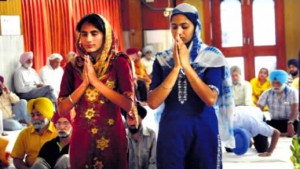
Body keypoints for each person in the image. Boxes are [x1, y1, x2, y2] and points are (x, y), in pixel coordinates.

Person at [147, 3, 235, 169]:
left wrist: (187, 67)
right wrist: (176, 68)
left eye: (185, 26)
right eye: (174, 27)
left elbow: (210, 98)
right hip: (171, 130)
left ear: (196, 27)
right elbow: (153, 102)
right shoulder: (162, 59)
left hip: (203, 128)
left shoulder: (211, 57)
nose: (178, 32)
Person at [58, 13, 135, 169]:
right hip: (82, 138)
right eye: (84, 34)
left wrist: (96, 82)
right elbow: (62, 109)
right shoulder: (73, 66)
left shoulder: (119, 62)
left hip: (112, 136)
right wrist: (85, 83)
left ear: (105, 34)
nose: (88, 39)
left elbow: (128, 105)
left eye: (94, 33)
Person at [11, 97, 57, 168]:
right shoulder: (25, 133)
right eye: (32, 115)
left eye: (39, 114)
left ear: (48, 115)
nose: (35, 118)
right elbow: (17, 158)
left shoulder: (58, 132)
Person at [257, 70, 299, 137]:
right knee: (262, 125)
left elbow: (295, 110)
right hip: (274, 122)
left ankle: (276, 134)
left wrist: (290, 122)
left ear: (284, 82)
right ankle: (283, 134)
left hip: (290, 121)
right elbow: (258, 110)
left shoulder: (293, 92)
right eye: (273, 83)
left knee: (297, 125)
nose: (275, 85)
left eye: (278, 83)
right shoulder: (267, 93)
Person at [126, 103, 157, 169]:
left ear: (141, 118)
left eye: (134, 117)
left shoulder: (151, 135)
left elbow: (153, 162)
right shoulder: (123, 135)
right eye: (129, 117)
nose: (131, 122)